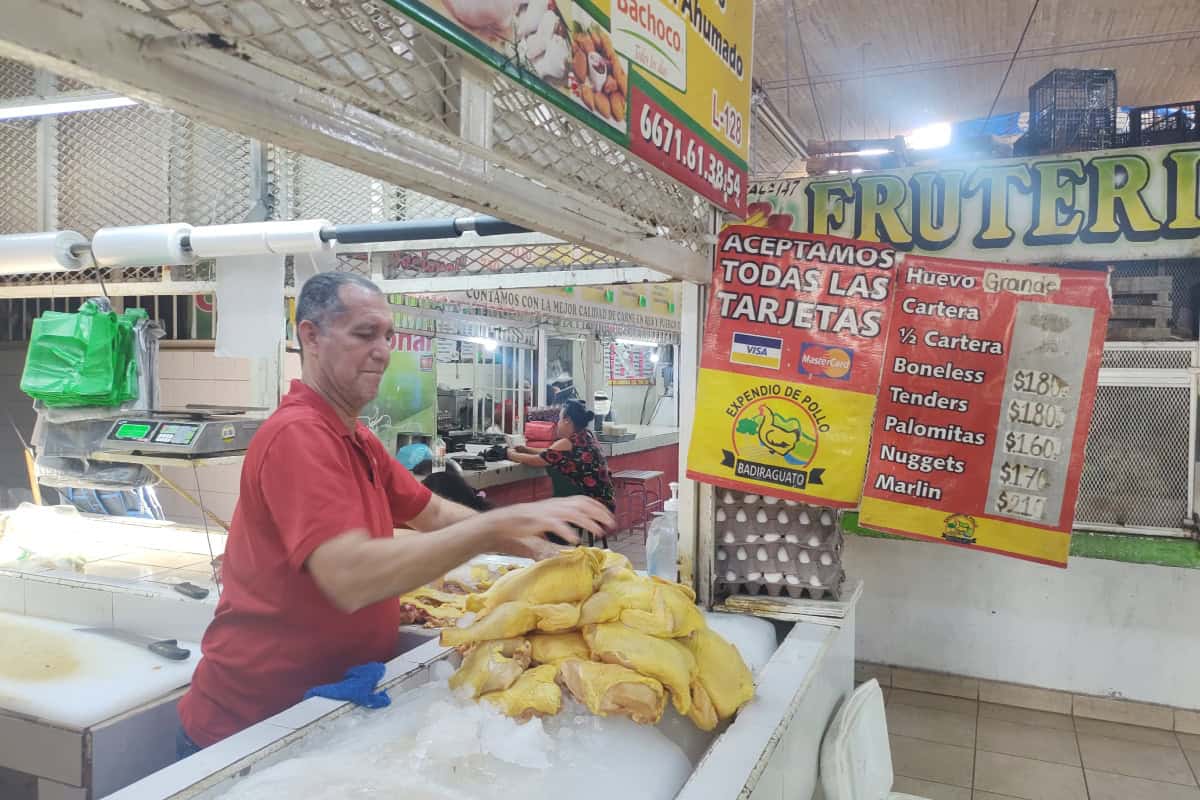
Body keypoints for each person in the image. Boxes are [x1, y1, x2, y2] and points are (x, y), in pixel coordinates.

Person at [176, 273, 612, 758]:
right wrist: (491, 527)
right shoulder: (299, 435)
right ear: (311, 336)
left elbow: (434, 513)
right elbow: (350, 576)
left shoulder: (357, 438)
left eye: (387, 335)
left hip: (320, 714)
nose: (383, 350)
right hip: (250, 731)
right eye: (365, 334)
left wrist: (539, 549)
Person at [506, 399, 616, 545]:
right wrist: (525, 449)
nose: (556, 424)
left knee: (538, 521)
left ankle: (557, 556)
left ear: (567, 421)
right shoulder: (587, 436)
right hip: (604, 504)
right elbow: (550, 453)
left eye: (559, 419)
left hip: (588, 507)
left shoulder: (568, 442)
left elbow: (537, 460)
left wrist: (509, 454)